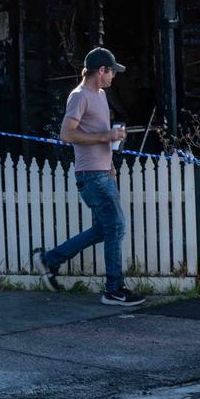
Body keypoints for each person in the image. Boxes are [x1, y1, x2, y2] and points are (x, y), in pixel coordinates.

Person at [35, 47, 146, 307]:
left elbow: (97, 133)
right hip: (90, 175)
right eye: (112, 72)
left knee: (103, 229)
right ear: (101, 71)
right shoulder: (79, 96)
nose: (114, 77)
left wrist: (110, 155)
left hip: (102, 172)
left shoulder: (100, 95)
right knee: (116, 226)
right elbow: (67, 134)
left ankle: (50, 260)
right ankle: (114, 289)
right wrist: (105, 137)